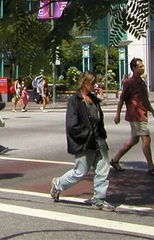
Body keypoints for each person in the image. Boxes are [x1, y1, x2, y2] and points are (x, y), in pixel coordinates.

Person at [50, 71, 115, 211]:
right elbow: (72, 125)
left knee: (103, 170)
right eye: (91, 83)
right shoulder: (75, 101)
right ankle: (58, 184)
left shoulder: (94, 100)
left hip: (99, 140)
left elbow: (98, 119)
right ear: (84, 82)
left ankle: (99, 198)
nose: (94, 86)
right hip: (86, 142)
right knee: (80, 172)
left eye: (94, 83)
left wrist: (101, 135)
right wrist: (88, 135)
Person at [110, 58, 154, 176]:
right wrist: (117, 115)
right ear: (134, 69)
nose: (143, 67)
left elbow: (145, 100)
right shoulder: (129, 83)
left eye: (143, 65)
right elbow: (122, 99)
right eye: (140, 66)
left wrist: (153, 111)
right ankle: (151, 167)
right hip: (135, 115)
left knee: (133, 140)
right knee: (146, 138)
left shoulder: (142, 82)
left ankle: (115, 160)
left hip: (142, 114)